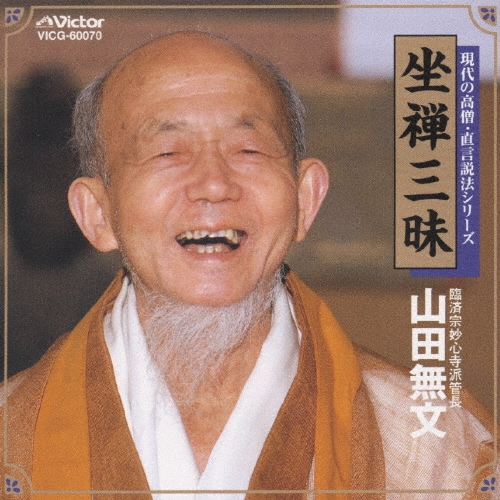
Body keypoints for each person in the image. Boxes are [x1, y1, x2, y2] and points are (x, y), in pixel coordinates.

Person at [1, 32, 497, 499]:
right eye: (167, 151)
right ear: (97, 214)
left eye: (249, 149)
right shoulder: (12, 433)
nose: (215, 184)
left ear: (305, 199)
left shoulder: (435, 443)